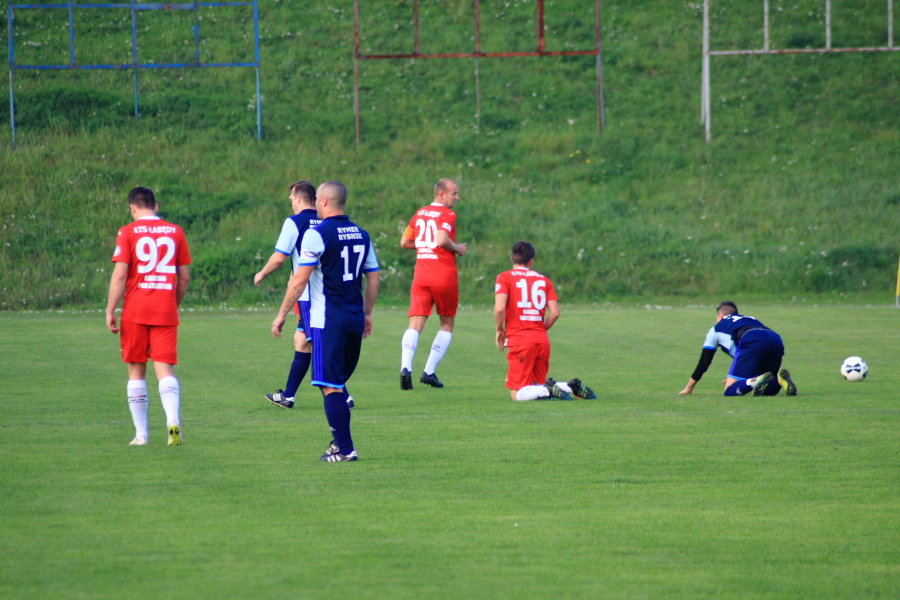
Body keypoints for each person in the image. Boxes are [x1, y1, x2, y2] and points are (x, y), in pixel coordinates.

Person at [271, 182, 378, 462]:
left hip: (327, 321)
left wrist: (282, 313)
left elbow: (299, 280)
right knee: (336, 385)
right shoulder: (362, 234)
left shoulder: (316, 234)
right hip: (354, 319)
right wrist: (367, 313)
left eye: (317, 200)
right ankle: (338, 442)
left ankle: (345, 450)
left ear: (325, 201)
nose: (315, 204)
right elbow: (373, 276)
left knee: (330, 386)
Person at [106, 187, 191, 446]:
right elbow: (184, 278)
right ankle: (172, 420)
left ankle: (141, 435)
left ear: (132, 207)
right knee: (165, 370)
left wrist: (110, 309)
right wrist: (172, 304)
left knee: (136, 372)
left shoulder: (127, 231)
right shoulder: (175, 231)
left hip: (135, 310)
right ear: (156, 206)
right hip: (165, 310)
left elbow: (120, 274)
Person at [253, 181, 329, 409]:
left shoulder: (294, 222)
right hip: (327, 290)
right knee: (301, 340)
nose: (291, 203)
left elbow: (279, 257)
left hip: (307, 293)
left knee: (318, 343)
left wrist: (262, 272)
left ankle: (343, 395)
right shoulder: (325, 220)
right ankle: (288, 395)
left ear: (297, 199)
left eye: (291, 199)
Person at [493, 241, 597, 401]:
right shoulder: (543, 280)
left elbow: (499, 309)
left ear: (511, 259)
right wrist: (540, 330)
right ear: (531, 261)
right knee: (536, 386)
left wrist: (499, 329)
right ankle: (569, 387)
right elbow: (555, 312)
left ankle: (549, 389)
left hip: (520, 340)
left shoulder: (504, 277)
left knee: (517, 394)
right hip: (542, 340)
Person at [398, 178, 467, 390]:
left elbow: (404, 242)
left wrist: (424, 246)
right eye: (454, 193)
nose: (457, 197)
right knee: (446, 324)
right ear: (442, 194)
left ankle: (405, 368)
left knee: (415, 324)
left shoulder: (420, 212)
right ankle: (428, 371)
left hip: (421, 277)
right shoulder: (448, 214)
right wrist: (457, 248)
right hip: (443, 277)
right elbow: (441, 239)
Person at [678, 301, 797, 397]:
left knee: (729, 391)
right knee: (766, 390)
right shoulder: (748, 318)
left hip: (752, 339)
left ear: (720, 316)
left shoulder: (716, 329)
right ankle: (779, 380)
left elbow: (704, 362)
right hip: (775, 339)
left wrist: (688, 388)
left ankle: (757, 380)